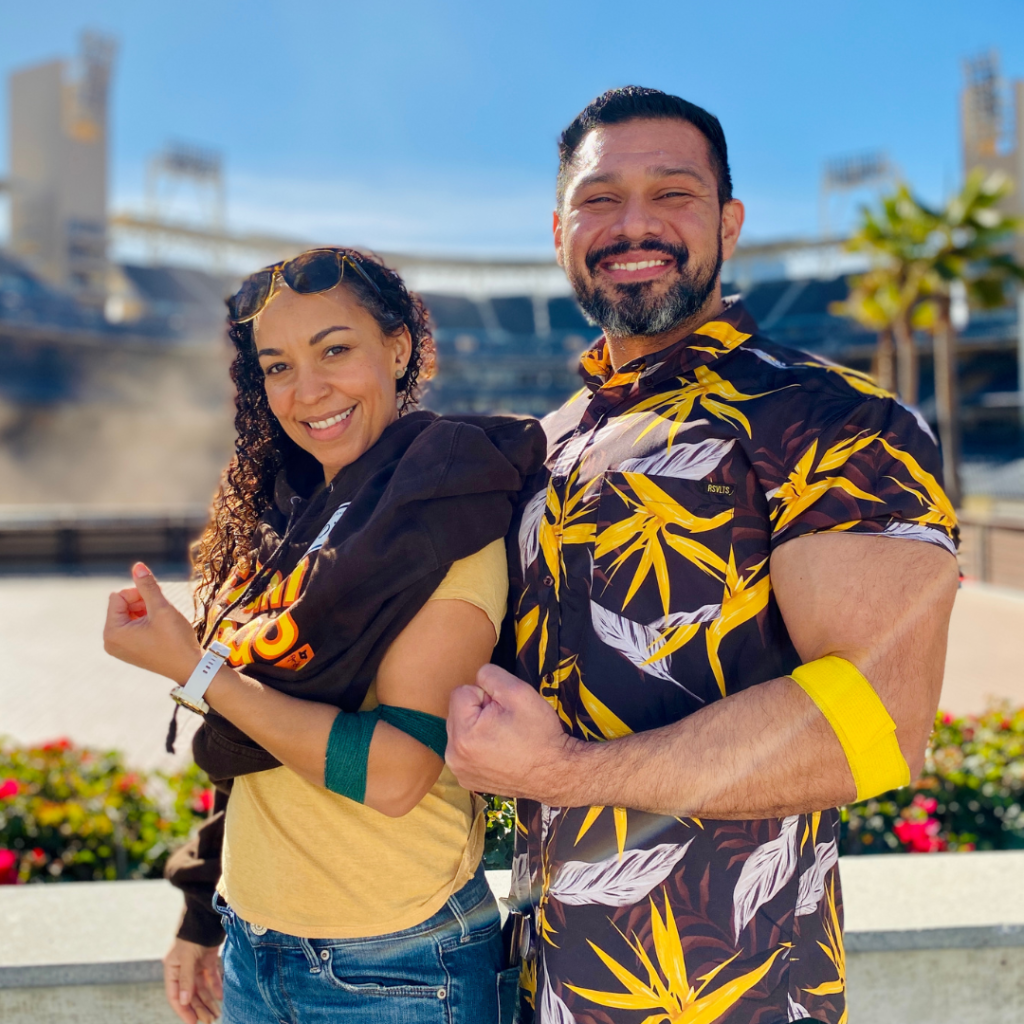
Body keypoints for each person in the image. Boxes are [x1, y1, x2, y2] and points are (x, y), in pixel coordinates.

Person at [445, 87, 960, 1024]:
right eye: (599, 199)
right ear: (559, 232)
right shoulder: (547, 444)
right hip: (542, 980)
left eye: (673, 193)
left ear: (729, 222)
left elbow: (879, 722)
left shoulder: (832, 419)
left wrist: (559, 774)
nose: (633, 224)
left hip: (733, 991)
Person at [103, 247, 544, 1024]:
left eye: (334, 350)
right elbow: (259, 746)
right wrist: (202, 913)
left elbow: (396, 776)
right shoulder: (300, 512)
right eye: (278, 366)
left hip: (397, 966)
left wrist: (196, 670)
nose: (306, 391)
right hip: (252, 945)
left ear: (399, 349)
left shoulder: (446, 511)